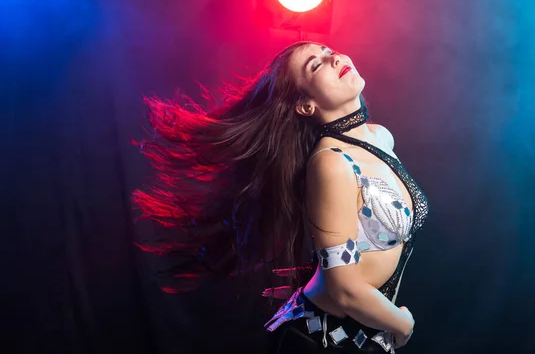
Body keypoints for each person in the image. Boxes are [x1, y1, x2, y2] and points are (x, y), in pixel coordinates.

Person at [133, 41, 429, 353]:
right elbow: (344, 291)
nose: (333, 58)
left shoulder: (382, 138)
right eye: (315, 65)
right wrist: (401, 323)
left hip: (365, 337)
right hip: (320, 340)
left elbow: (359, 239)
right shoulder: (331, 162)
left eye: (329, 51)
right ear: (305, 105)